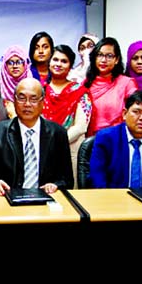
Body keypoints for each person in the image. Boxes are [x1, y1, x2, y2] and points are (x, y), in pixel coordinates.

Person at [0, 78, 73, 196]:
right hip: (7, 198)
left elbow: (67, 179)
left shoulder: (58, 133)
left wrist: (56, 185)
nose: (27, 104)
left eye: (33, 99)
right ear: (14, 100)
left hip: (46, 200)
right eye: (22, 98)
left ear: (42, 102)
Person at [42, 45, 92, 188]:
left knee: (70, 195)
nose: (58, 64)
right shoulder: (40, 91)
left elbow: (81, 127)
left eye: (64, 61)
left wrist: (56, 143)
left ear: (70, 66)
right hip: (43, 152)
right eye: (55, 59)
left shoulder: (81, 92)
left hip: (71, 150)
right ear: (49, 62)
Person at [84, 37, 138, 136]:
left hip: (118, 139)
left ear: (116, 59)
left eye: (109, 56)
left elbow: (135, 114)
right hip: (91, 142)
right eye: (100, 55)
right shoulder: (86, 84)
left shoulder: (127, 83)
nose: (103, 60)